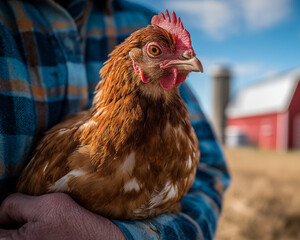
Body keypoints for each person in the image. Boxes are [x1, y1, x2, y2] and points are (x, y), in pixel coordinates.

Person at [0, 0, 230, 239]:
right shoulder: (80, 151)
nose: (189, 58)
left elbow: (211, 172)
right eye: (154, 51)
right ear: (132, 63)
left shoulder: (136, 17)